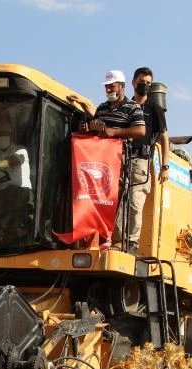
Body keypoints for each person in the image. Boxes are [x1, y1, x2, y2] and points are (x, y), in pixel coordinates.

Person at [67, 70, 146, 251]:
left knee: (116, 196)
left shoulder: (133, 107)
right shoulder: (102, 108)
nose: (109, 89)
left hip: (119, 159)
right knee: (92, 195)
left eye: (112, 86)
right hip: (100, 161)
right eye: (107, 86)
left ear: (122, 87)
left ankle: (115, 237)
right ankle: (93, 235)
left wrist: (113, 132)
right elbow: (98, 129)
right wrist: (87, 128)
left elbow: (140, 130)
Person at [126, 66, 170, 253]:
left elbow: (164, 137)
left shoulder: (154, 108)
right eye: (142, 82)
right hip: (122, 158)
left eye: (148, 83)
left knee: (136, 203)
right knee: (120, 202)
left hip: (142, 160)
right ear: (133, 82)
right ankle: (118, 239)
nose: (145, 86)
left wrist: (165, 165)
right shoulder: (126, 106)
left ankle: (132, 242)